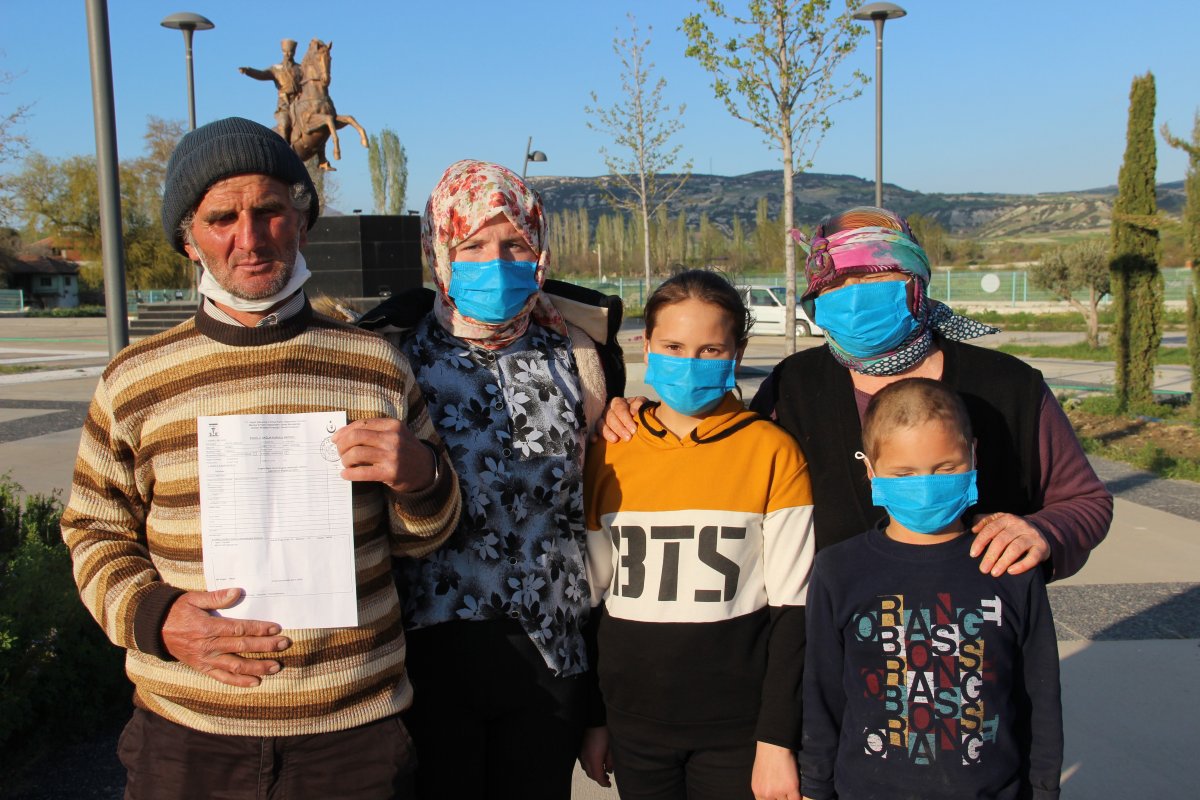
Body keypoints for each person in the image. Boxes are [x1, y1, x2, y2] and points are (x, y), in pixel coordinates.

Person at [59, 117, 461, 800]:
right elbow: (93, 529)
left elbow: (426, 538)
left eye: (269, 210)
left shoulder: (375, 366)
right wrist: (158, 617)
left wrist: (421, 478)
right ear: (188, 239)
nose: (249, 239)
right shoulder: (134, 378)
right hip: (189, 733)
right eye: (222, 219)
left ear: (301, 222)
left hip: (352, 737)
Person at [605, 207, 1111, 583]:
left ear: (915, 282)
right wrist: (646, 413)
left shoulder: (1007, 387)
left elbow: (1084, 501)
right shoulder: (794, 386)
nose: (853, 293)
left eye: (876, 275)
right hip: (835, 660)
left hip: (977, 659)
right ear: (816, 300)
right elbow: (728, 454)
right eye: (836, 282)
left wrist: (1046, 533)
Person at [383, 160, 618, 800]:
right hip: (430, 656)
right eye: (473, 245)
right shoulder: (395, 357)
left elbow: (592, 506)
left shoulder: (579, 356)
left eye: (514, 243)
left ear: (540, 250)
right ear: (439, 253)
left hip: (550, 656)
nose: (497, 260)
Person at [584, 270, 816, 800]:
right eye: (672, 345)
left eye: (711, 349)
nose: (690, 362)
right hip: (634, 726)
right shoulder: (609, 451)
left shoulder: (773, 452)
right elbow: (592, 601)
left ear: (738, 351)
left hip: (738, 731)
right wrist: (595, 719)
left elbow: (793, 610)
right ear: (646, 345)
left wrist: (777, 740)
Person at [800, 377, 1062, 800]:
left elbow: (1040, 694)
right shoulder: (838, 570)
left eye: (945, 468)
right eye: (904, 473)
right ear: (871, 471)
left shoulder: (1010, 566)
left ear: (973, 454)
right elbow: (822, 692)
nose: (925, 484)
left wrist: (1045, 788)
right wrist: (815, 785)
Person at [239, 39, 303, 142]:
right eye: (285, 51)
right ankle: (285, 149)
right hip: (285, 104)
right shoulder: (276, 69)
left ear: (294, 52)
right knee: (285, 124)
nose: (287, 54)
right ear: (282, 52)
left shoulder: (300, 68)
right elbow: (262, 74)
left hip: (299, 102)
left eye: (290, 52)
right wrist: (248, 71)